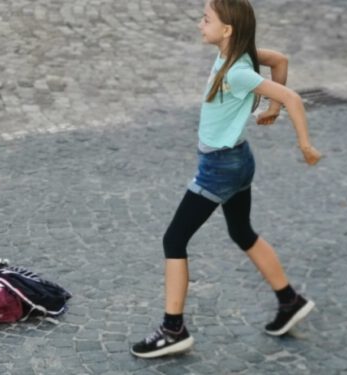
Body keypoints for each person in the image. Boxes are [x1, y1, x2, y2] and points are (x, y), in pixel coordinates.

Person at [130, 0, 322, 359]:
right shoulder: (243, 55)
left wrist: (303, 143)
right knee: (241, 231)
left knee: (174, 238)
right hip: (238, 160)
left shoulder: (237, 70)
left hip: (219, 168)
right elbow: (281, 60)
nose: (199, 23)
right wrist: (271, 108)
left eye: (206, 19)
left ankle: (173, 329)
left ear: (228, 30)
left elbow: (293, 97)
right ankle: (289, 300)